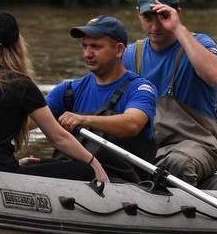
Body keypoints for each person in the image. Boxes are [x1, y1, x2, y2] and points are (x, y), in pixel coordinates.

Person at [0, 10, 109, 184]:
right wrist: (94, 163)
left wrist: (15, 164)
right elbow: (59, 138)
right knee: (83, 170)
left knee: (45, 162)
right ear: (18, 44)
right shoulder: (19, 84)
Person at [28, 15, 158, 183]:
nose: (87, 54)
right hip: (74, 173)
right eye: (84, 46)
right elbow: (28, 123)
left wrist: (84, 119)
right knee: (31, 167)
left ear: (119, 50)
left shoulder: (140, 88)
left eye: (96, 47)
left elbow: (132, 124)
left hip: (123, 181)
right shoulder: (68, 91)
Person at [125, 0, 217, 186]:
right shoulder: (130, 54)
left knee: (177, 164)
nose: (155, 26)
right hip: (147, 149)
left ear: (177, 12)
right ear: (138, 14)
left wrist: (178, 29)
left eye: (163, 16)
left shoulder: (199, 44)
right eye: (147, 17)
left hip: (196, 145)